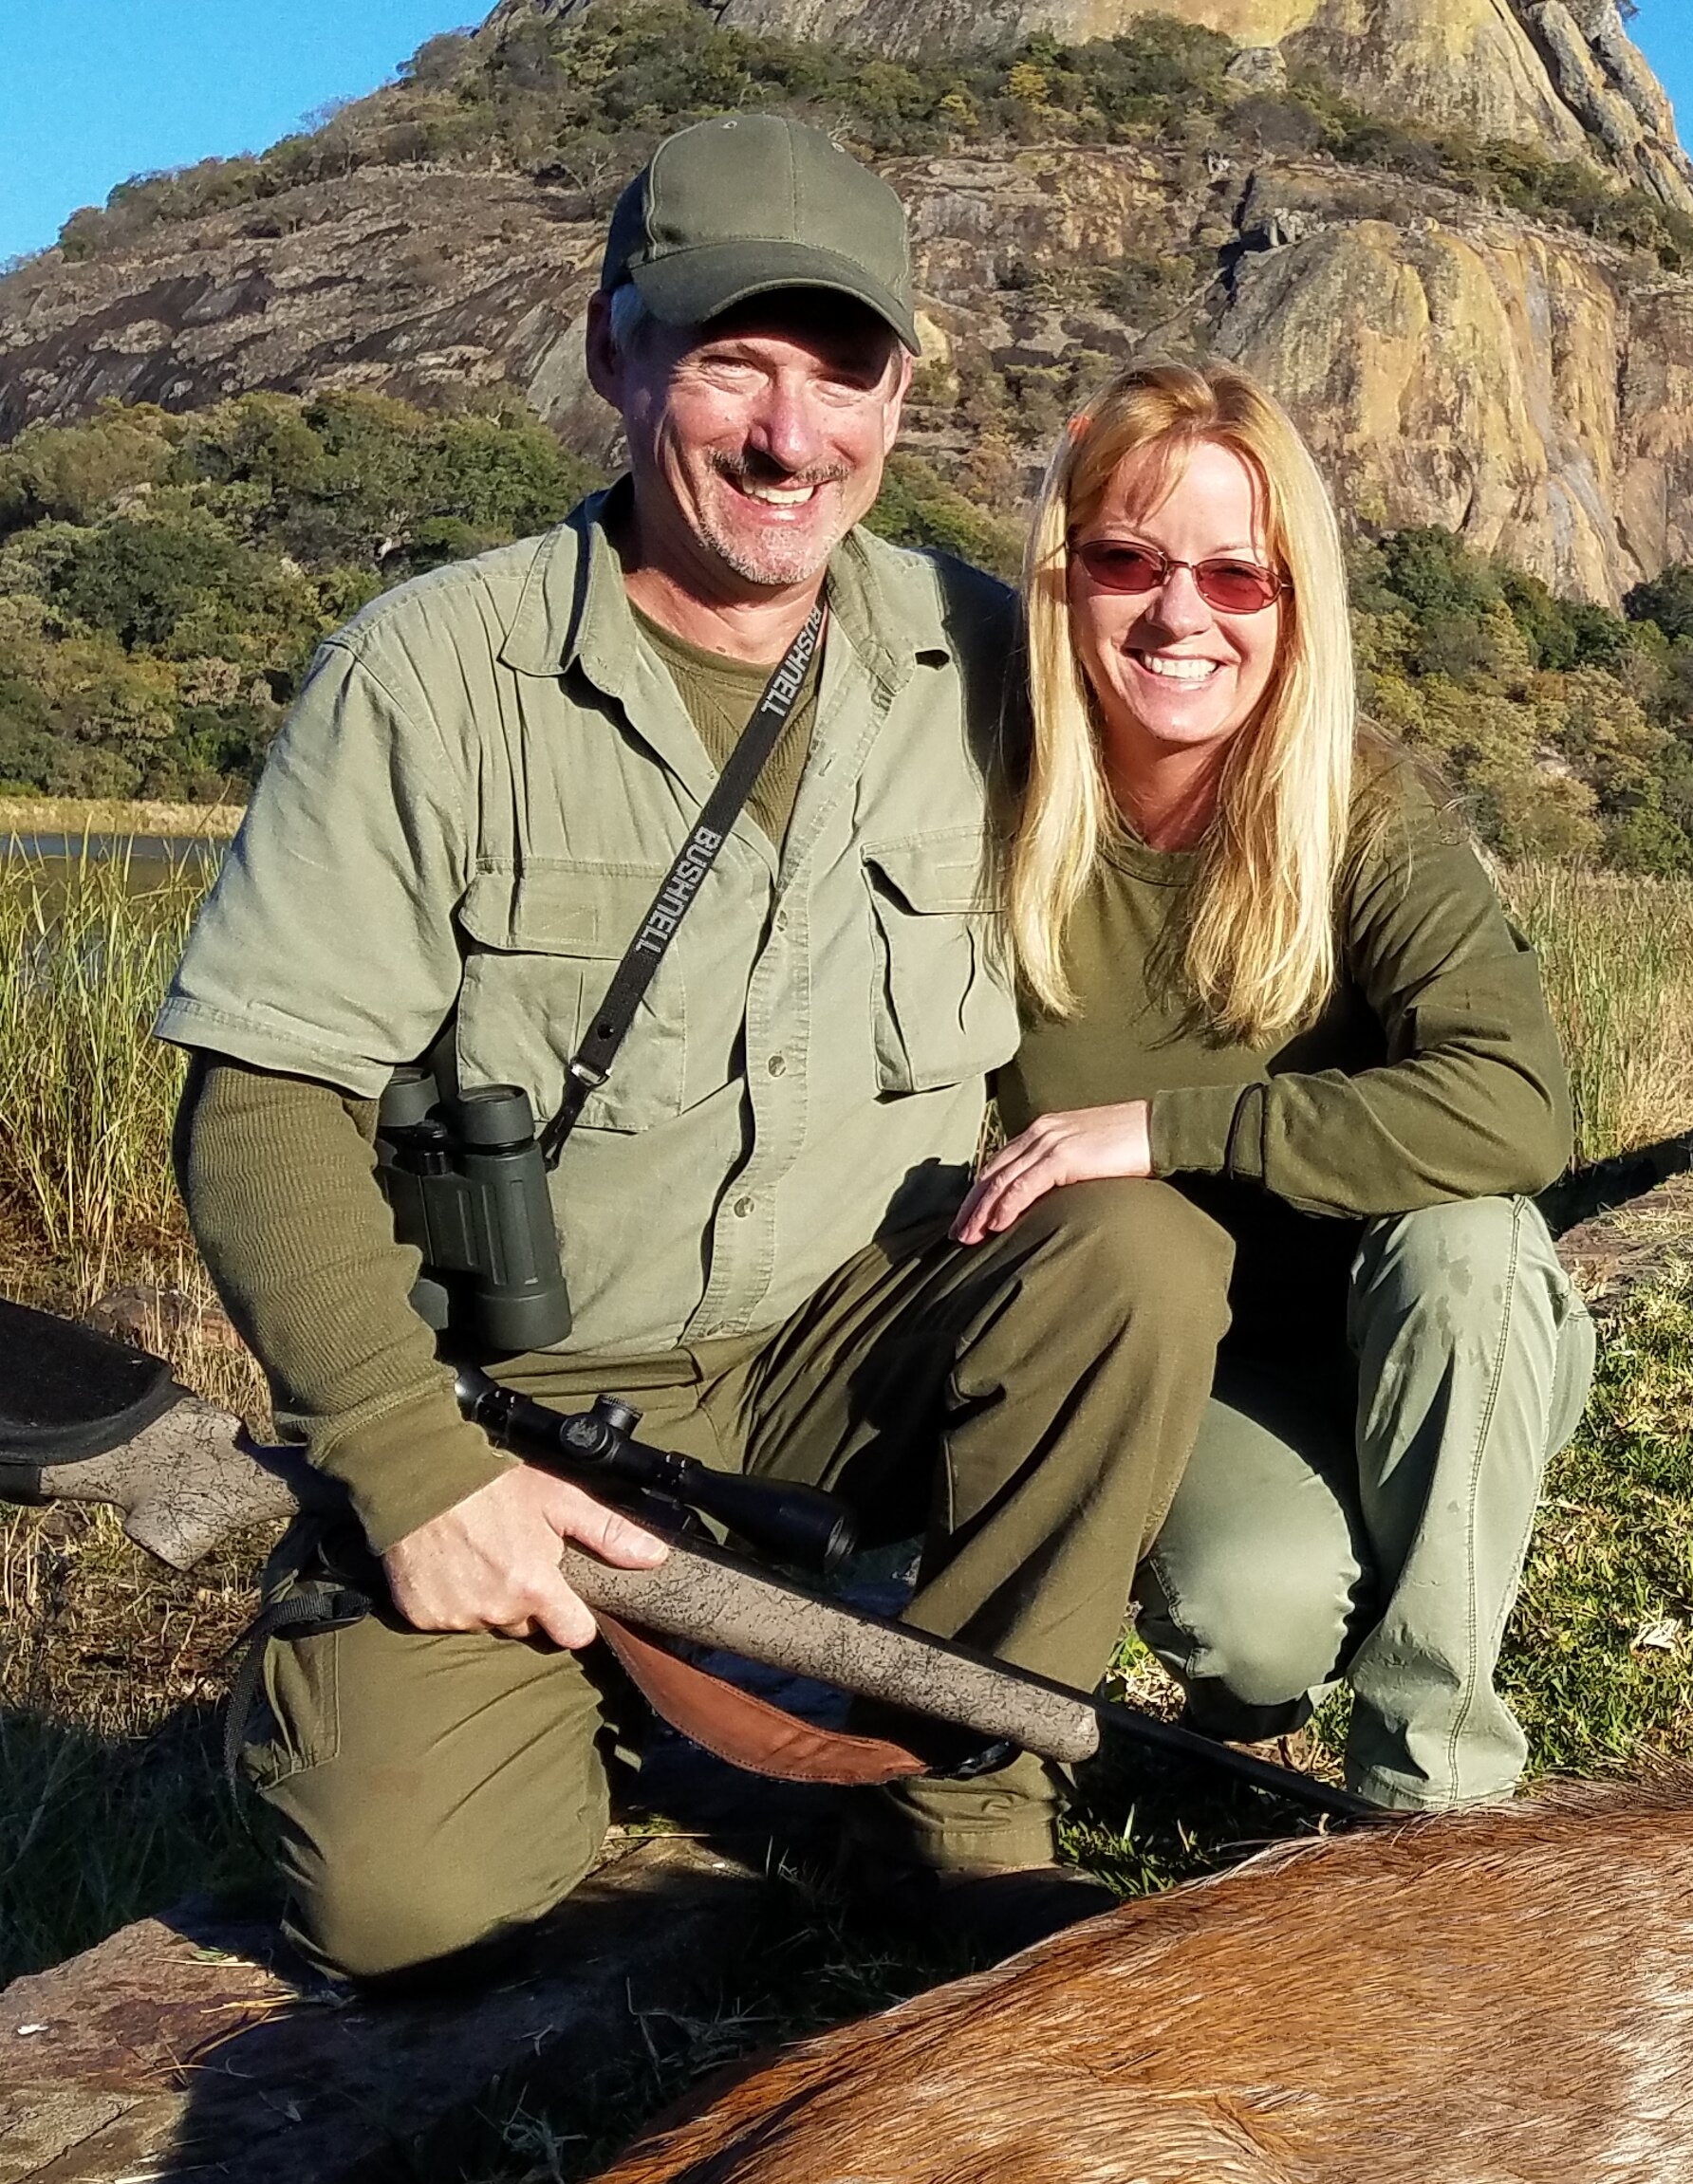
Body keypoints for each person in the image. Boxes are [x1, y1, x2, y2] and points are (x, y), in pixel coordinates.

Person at [159, 114, 1233, 1979]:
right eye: (731, 359)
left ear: (901, 395)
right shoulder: (429, 676)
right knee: (398, 1905)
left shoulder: (984, 660)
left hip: (843, 1354)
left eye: (844, 375)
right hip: (545, 1394)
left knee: (1137, 1253)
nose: (787, 435)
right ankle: (530, 1659)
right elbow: (260, 1104)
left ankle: (964, 1803)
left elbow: (1244, 754)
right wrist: (416, 1468)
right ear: (614, 356)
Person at [949, 363, 1592, 1812]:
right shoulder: (979, 798)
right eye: (1128, 560)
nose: (1184, 615)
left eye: (1241, 577)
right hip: (1175, 1357)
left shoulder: (1358, 811)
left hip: (1401, 1328)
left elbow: (1515, 1107)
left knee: (1474, 1240)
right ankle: (1362, 1565)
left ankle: (1428, 1794)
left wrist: (1172, 1131)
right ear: (1063, 581)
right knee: (1256, 1631)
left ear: (1295, 609)